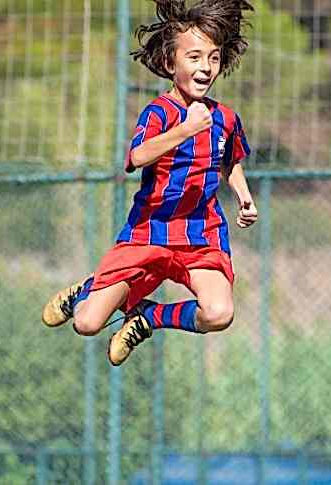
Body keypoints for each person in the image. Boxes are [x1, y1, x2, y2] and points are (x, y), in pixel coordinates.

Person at [42, 0, 257, 366]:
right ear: (171, 63)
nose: (205, 67)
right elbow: (137, 157)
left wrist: (244, 197)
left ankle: (149, 317)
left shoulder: (224, 118)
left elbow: (229, 160)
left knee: (219, 313)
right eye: (194, 57)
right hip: (148, 233)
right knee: (87, 323)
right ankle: (85, 291)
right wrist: (185, 129)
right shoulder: (159, 112)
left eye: (214, 58)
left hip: (200, 235)